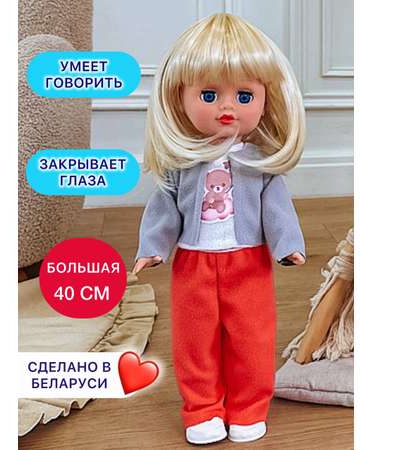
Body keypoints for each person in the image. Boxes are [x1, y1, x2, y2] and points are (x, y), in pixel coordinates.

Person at [132, 13, 306, 445]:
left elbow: (277, 209)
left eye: (244, 95)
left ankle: (248, 408)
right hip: (192, 264)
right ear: (180, 98)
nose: (227, 107)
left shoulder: (259, 163)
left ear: (266, 99)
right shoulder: (182, 162)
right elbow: (164, 207)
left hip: (249, 264)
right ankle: (202, 409)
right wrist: (153, 246)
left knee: (252, 338)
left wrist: (288, 244)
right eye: (209, 94)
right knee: (194, 341)